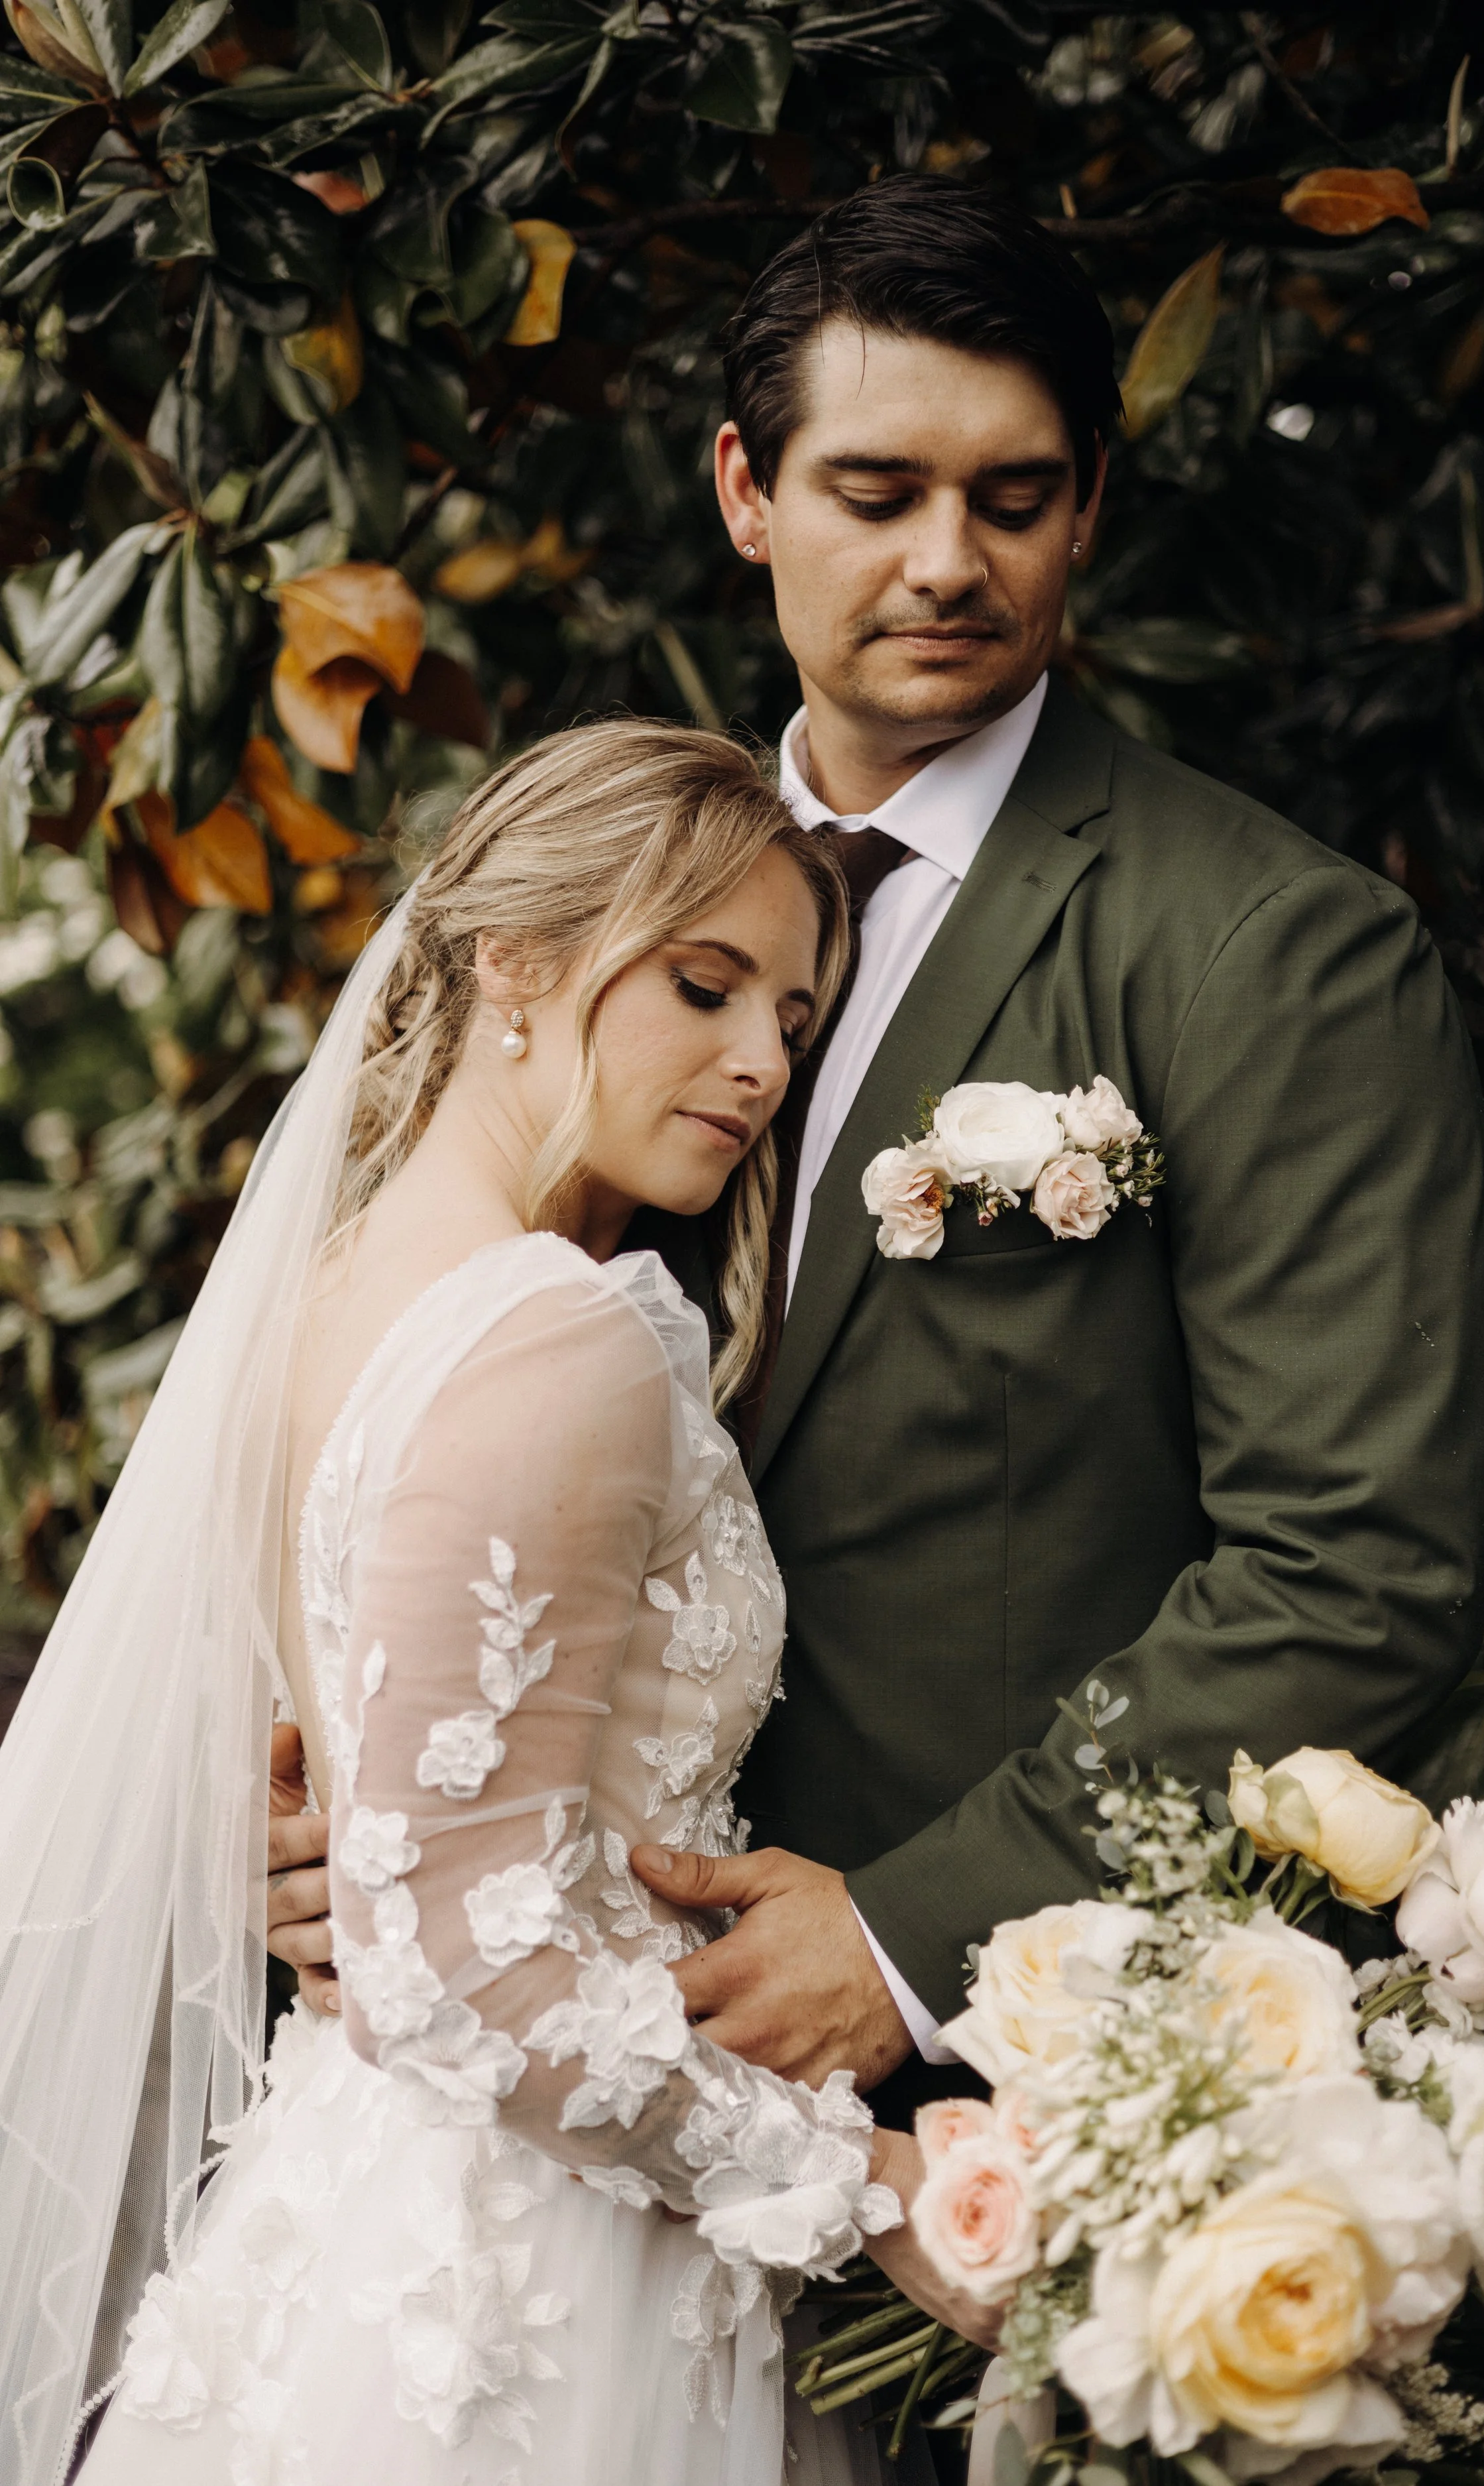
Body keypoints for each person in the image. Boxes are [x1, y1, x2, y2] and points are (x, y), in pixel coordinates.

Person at [264, 174, 1484, 2467]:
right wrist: (354, 1805)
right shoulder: (587, 909)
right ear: (746, 491)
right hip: (556, 2112)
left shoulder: (1266, 952)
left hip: (997, 2102)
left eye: (1011, 499)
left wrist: (918, 1936)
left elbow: (1357, 1564)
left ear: (1087, 508)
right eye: (875, 490)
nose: (946, 558)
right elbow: (407, 1399)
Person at [0, 720, 937, 2485]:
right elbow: (453, 1968)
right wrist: (873, 2184)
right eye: (704, 987)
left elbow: (362, 1825)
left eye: (793, 1020)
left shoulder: (332, 1293)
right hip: (539, 2251)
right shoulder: (556, 1332)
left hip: (379, 2184)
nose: (759, 1061)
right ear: (511, 958)